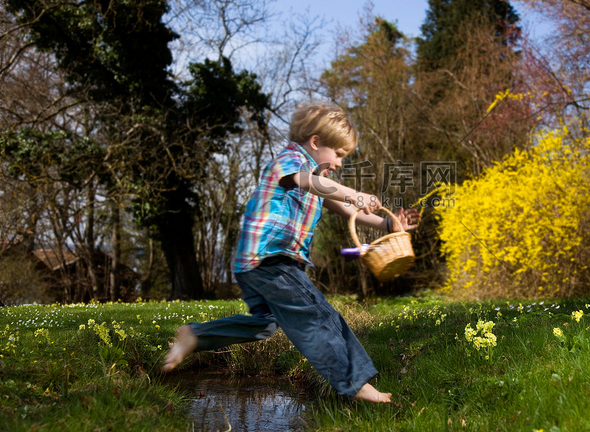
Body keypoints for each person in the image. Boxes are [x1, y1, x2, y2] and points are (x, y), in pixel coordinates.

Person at [162, 103, 421, 404]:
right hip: (270, 259)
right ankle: (356, 383)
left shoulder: (317, 181)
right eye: (338, 154)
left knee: (265, 325)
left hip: (255, 265)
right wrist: (355, 193)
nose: (338, 163)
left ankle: (195, 335)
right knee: (318, 314)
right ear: (315, 142)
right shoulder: (291, 160)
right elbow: (306, 181)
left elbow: (347, 210)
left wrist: (389, 223)